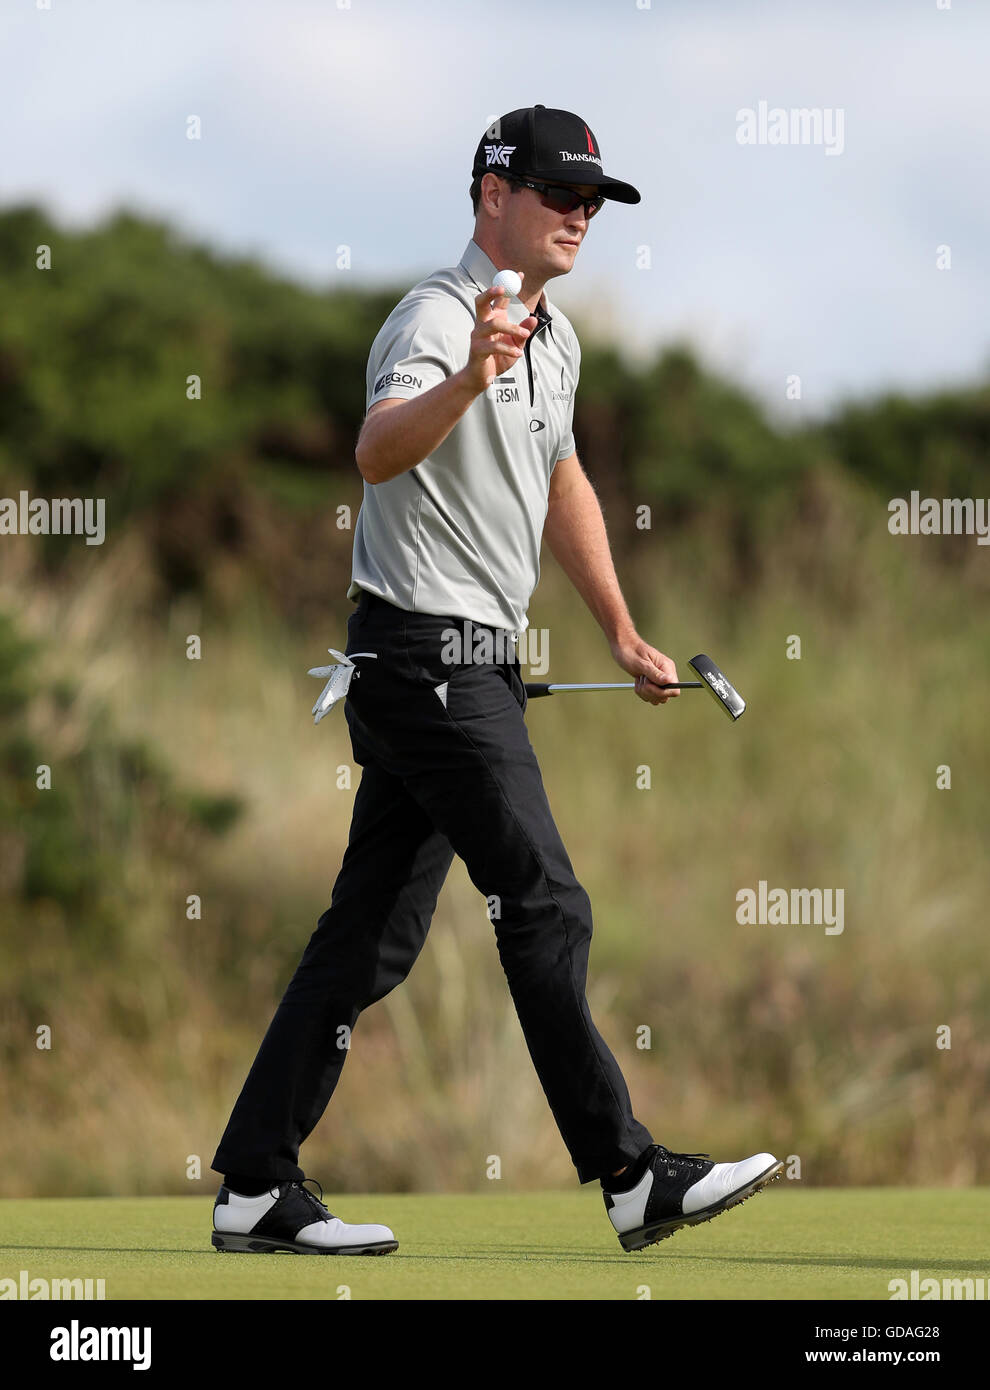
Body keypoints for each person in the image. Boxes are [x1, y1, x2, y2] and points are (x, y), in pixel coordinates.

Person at [210, 105, 780, 1257]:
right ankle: (628, 1173)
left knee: (372, 933)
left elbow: (559, 473)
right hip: (422, 655)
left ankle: (256, 1184)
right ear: (491, 196)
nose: (580, 215)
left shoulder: (554, 340)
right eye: (559, 193)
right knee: (544, 898)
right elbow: (373, 452)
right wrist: (470, 374)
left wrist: (617, 626)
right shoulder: (436, 316)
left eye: (593, 201)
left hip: (475, 660)